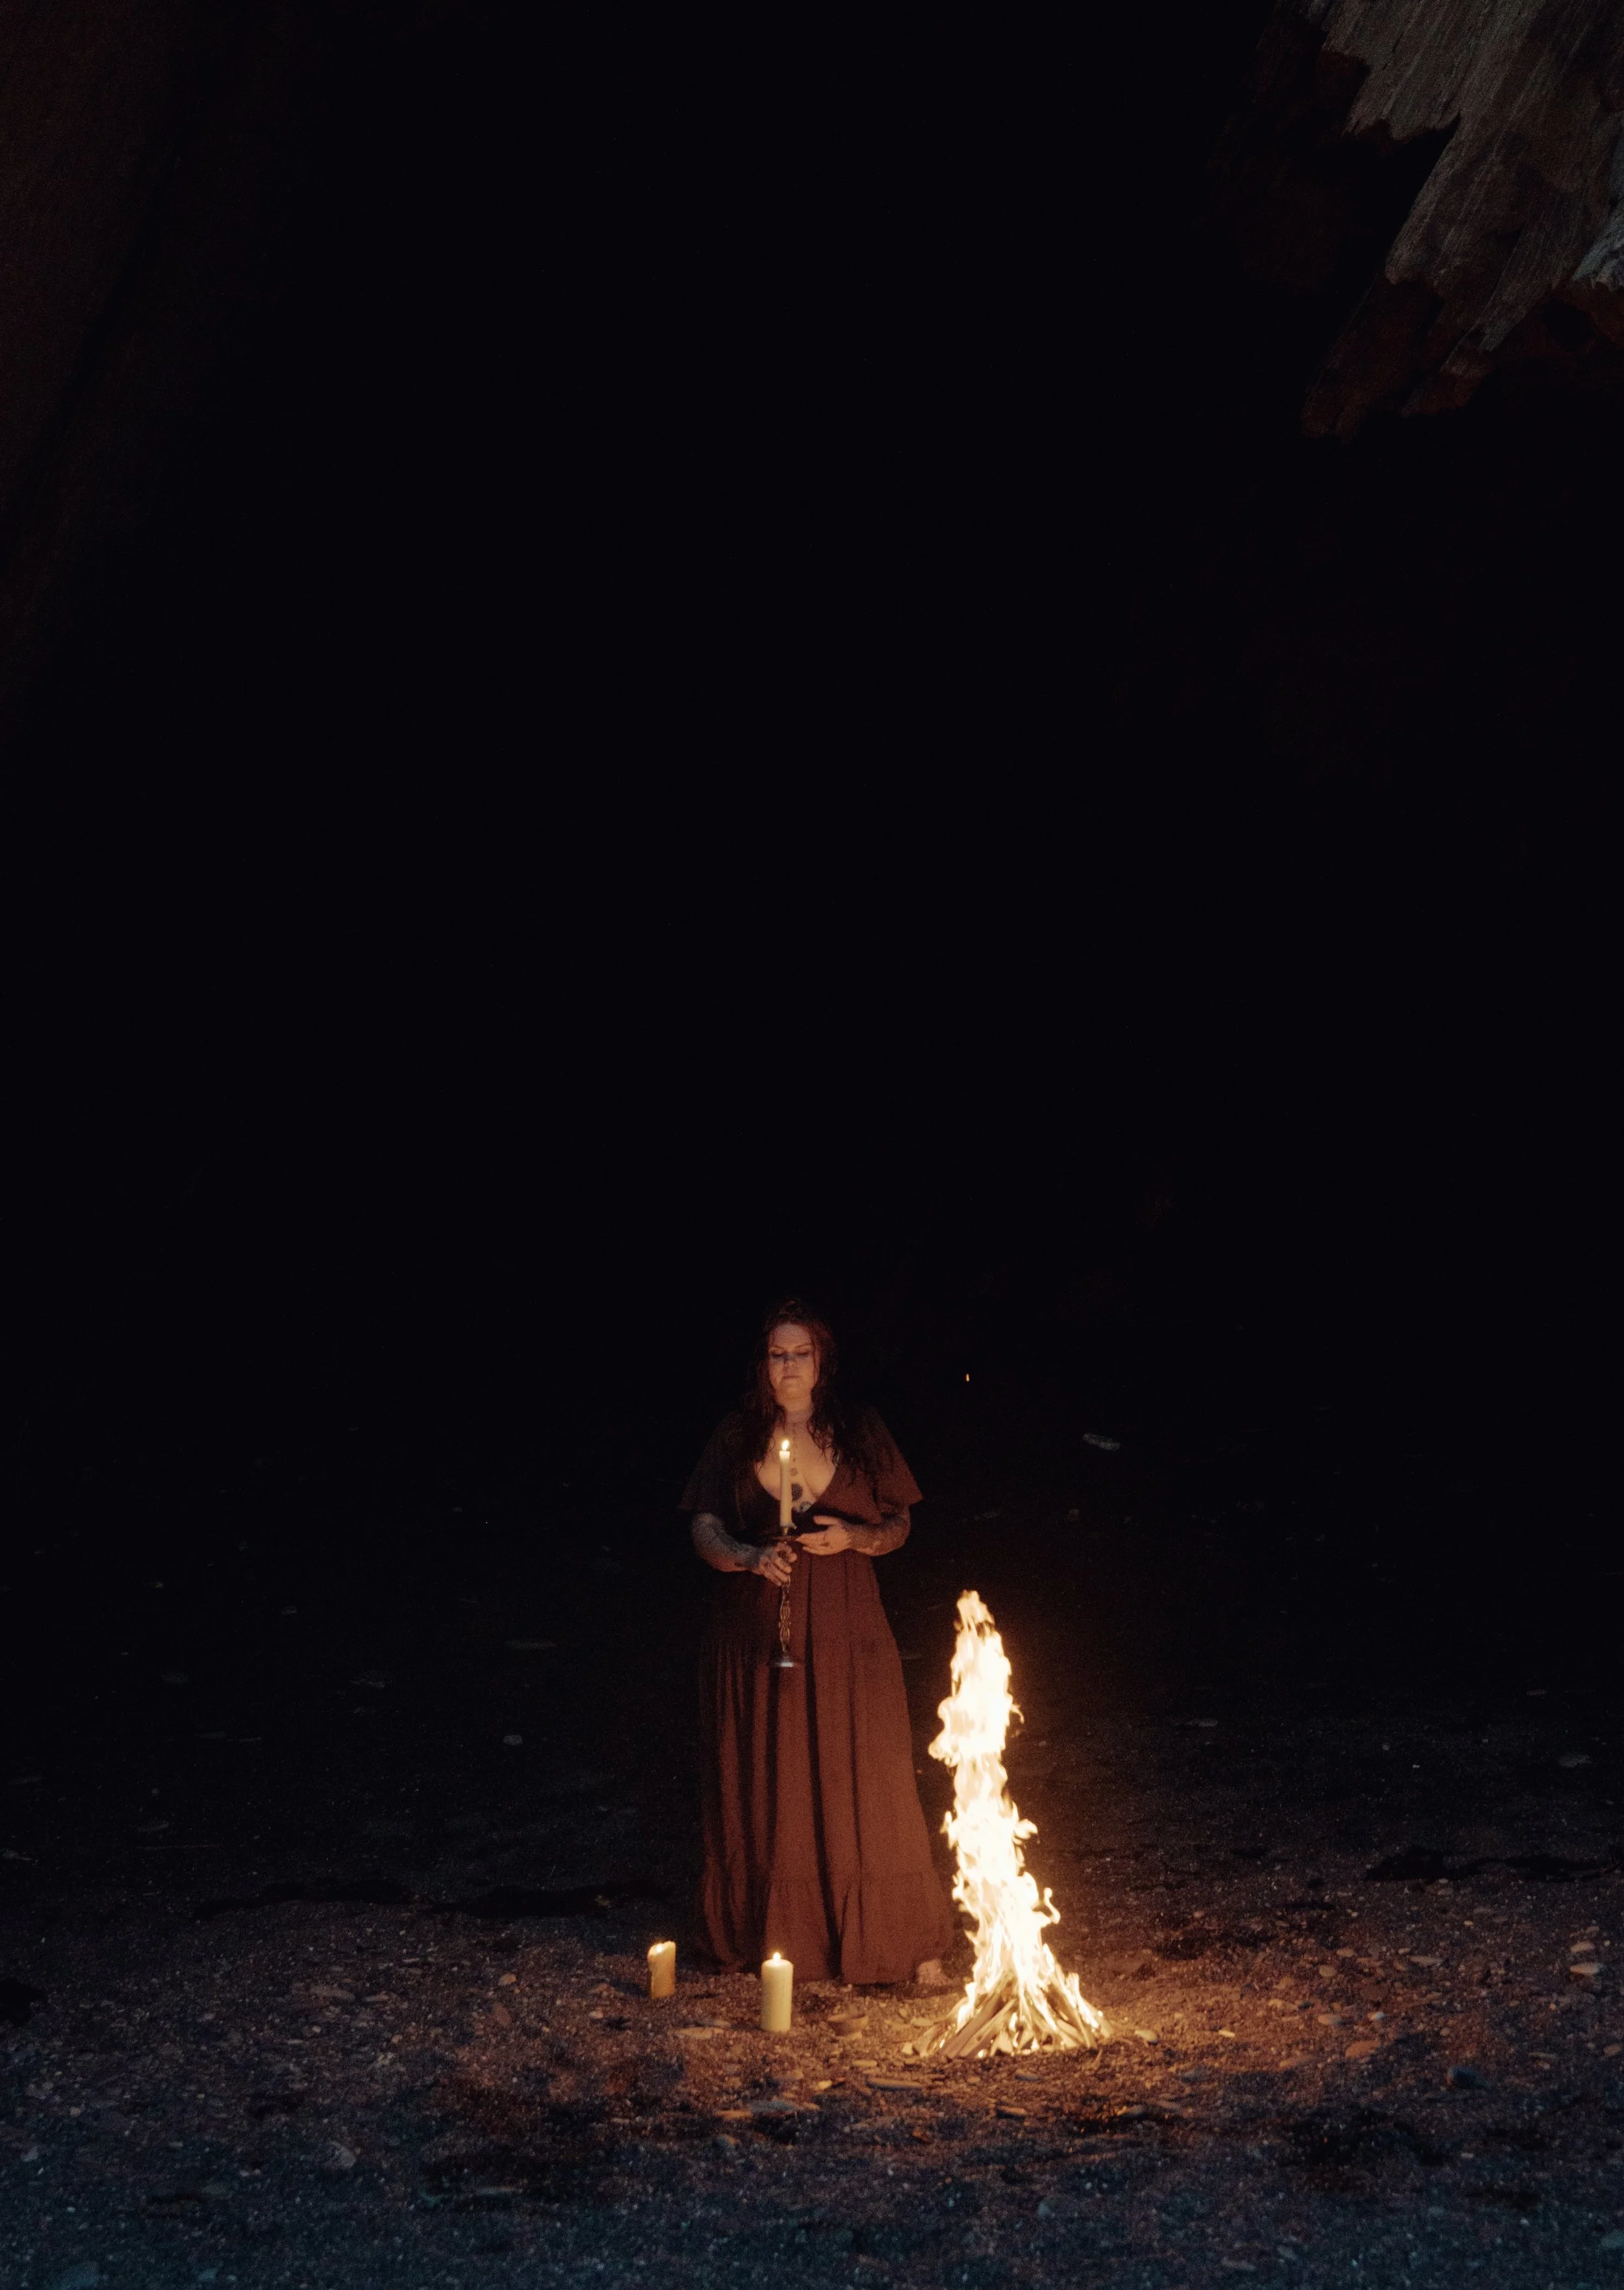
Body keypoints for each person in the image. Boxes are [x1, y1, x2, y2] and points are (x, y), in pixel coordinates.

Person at [681, 1299, 956, 1986]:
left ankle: (884, 1936)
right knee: (772, 1776)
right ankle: (777, 1937)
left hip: (845, 1630)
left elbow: (898, 1526)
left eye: (800, 1353)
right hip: (755, 1636)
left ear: (822, 1360)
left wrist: (853, 1538)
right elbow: (704, 1528)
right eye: (777, 1354)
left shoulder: (859, 1430)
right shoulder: (737, 1434)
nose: (789, 1367)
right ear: (762, 1364)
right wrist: (747, 1557)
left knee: (859, 1772)